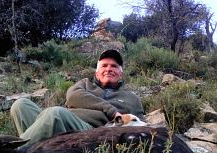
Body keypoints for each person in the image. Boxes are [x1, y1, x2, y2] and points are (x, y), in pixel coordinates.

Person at [10, 49, 144, 144]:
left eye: (114, 66)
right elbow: (73, 97)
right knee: (21, 105)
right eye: (104, 66)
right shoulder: (85, 84)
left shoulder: (131, 98)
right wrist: (111, 111)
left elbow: (141, 128)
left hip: (93, 132)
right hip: (64, 124)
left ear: (120, 74)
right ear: (97, 73)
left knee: (55, 113)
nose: (108, 69)